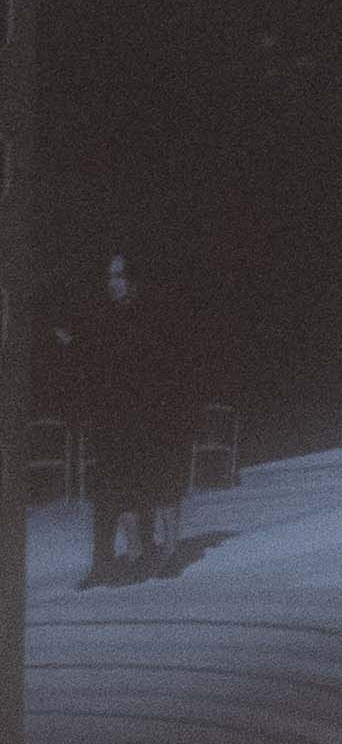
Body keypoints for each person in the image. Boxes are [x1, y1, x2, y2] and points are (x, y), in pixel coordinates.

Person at [59, 247, 197, 585]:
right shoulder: (107, 317)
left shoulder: (153, 313)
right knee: (121, 480)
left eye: (119, 276)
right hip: (118, 413)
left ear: (133, 279)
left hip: (154, 408)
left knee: (161, 476)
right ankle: (136, 552)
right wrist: (74, 345)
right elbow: (99, 356)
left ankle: (170, 550)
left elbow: (166, 360)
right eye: (110, 277)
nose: (113, 283)